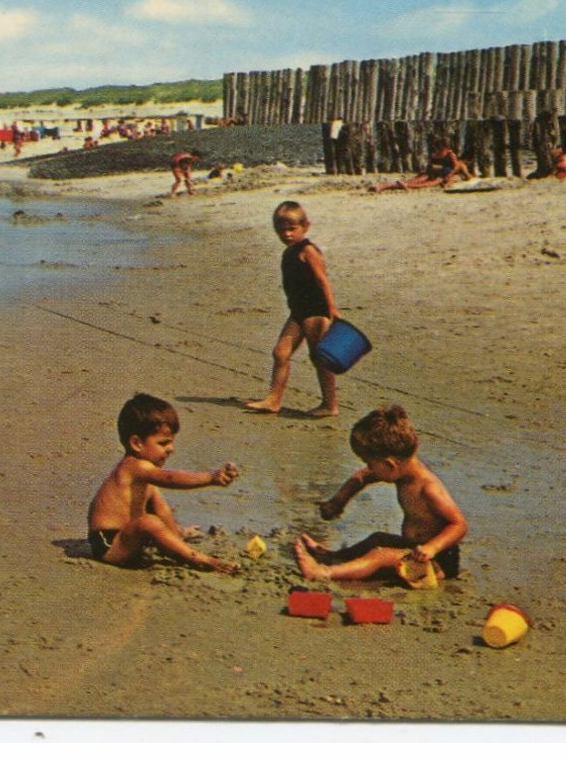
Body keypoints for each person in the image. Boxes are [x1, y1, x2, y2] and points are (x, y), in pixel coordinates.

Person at [294, 404, 467, 584]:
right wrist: (338, 502)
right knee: (377, 539)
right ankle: (334, 557)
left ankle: (324, 572)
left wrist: (432, 547)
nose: (368, 468)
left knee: (379, 555)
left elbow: (459, 524)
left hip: (435, 562)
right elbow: (361, 477)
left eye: (370, 463)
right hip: (412, 548)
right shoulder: (402, 471)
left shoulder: (428, 488)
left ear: (390, 464)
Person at [86, 393, 241, 573]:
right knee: (149, 522)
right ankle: (199, 559)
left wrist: (174, 534)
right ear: (137, 443)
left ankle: (176, 540)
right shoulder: (134, 467)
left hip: (128, 536)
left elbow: (163, 511)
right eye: (163, 443)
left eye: (172, 442)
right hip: (109, 544)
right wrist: (210, 478)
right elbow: (170, 478)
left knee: (158, 506)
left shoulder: (145, 476)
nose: (171, 449)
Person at [245, 201, 340, 416]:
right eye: (281, 230)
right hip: (298, 312)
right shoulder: (289, 252)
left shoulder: (307, 250)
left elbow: (322, 280)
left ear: (305, 226)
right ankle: (273, 399)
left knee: (319, 358)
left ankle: (330, 404)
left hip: (315, 311)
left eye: (292, 229)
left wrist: (332, 310)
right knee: (280, 353)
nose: (286, 234)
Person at [369, 141, 471, 192]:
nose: (438, 152)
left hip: (442, 174)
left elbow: (459, 173)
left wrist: (451, 179)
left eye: (440, 150)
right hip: (436, 173)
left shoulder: (453, 157)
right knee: (417, 181)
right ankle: (383, 186)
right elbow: (466, 176)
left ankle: (383, 186)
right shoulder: (447, 156)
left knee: (424, 183)